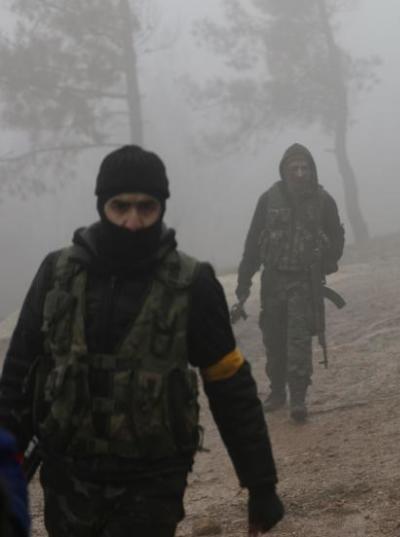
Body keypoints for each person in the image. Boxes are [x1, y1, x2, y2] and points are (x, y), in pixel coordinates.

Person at [0, 145, 284, 536]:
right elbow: (18, 372)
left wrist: (261, 483)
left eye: (146, 207)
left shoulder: (193, 284)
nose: (132, 222)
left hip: (152, 483)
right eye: (120, 207)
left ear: (162, 208)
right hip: (67, 478)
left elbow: (230, 386)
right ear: (102, 205)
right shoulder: (57, 274)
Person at [233, 143, 345, 423]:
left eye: (304, 168)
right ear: (284, 170)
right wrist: (244, 283)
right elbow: (252, 242)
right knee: (273, 338)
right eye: (293, 168)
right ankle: (277, 392)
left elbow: (337, 236)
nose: (299, 173)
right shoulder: (268, 200)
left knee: (297, 339)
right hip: (273, 280)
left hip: (304, 282)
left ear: (311, 171)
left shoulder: (323, 200)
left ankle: (297, 397)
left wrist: (327, 263)